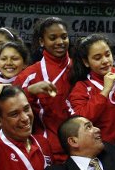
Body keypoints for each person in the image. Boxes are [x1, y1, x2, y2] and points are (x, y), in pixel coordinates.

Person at [14, 17, 75, 162]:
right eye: (53, 38)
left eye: (64, 37)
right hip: (43, 150)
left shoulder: (79, 69)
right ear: (42, 41)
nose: (60, 42)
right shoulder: (28, 75)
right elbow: (11, 109)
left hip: (77, 148)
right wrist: (29, 92)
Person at [68, 34, 115, 144]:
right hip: (100, 151)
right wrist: (104, 92)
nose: (105, 61)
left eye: (108, 55)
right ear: (86, 62)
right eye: (97, 58)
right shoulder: (82, 88)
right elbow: (79, 122)